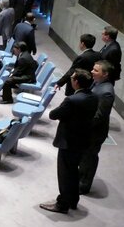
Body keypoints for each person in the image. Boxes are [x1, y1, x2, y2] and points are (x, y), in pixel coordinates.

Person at [39, 69, 98, 214]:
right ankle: (73, 200)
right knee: (73, 172)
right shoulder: (93, 97)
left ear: (76, 82)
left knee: (65, 173)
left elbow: (54, 115)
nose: (70, 79)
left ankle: (62, 204)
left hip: (68, 141)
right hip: (82, 140)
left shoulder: (72, 100)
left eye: (72, 78)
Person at [79, 61, 115, 194]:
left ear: (105, 74)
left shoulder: (106, 92)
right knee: (84, 156)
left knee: (89, 158)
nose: (92, 72)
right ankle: (80, 178)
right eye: (93, 69)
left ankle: (84, 186)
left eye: (96, 70)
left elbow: (99, 116)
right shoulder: (97, 83)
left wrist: (81, 125)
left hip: (94, 133)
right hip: (89, 130)